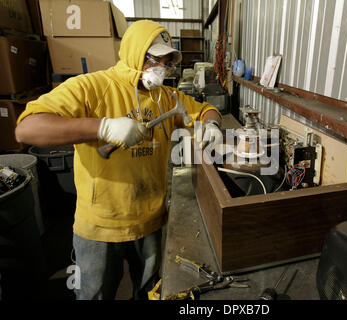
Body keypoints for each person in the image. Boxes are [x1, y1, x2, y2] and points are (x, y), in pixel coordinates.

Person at [15, 20, 222, 300]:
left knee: (149, 292)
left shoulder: (167, 97)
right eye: (154, 60)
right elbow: (28, 127)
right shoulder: (92, 87)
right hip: (100, 226)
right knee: (94, 295)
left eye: (166, 61)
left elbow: (207, 109)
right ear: (136, 54)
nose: (161, 68)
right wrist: (102, 128)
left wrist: (212, 125)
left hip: (149, 222)